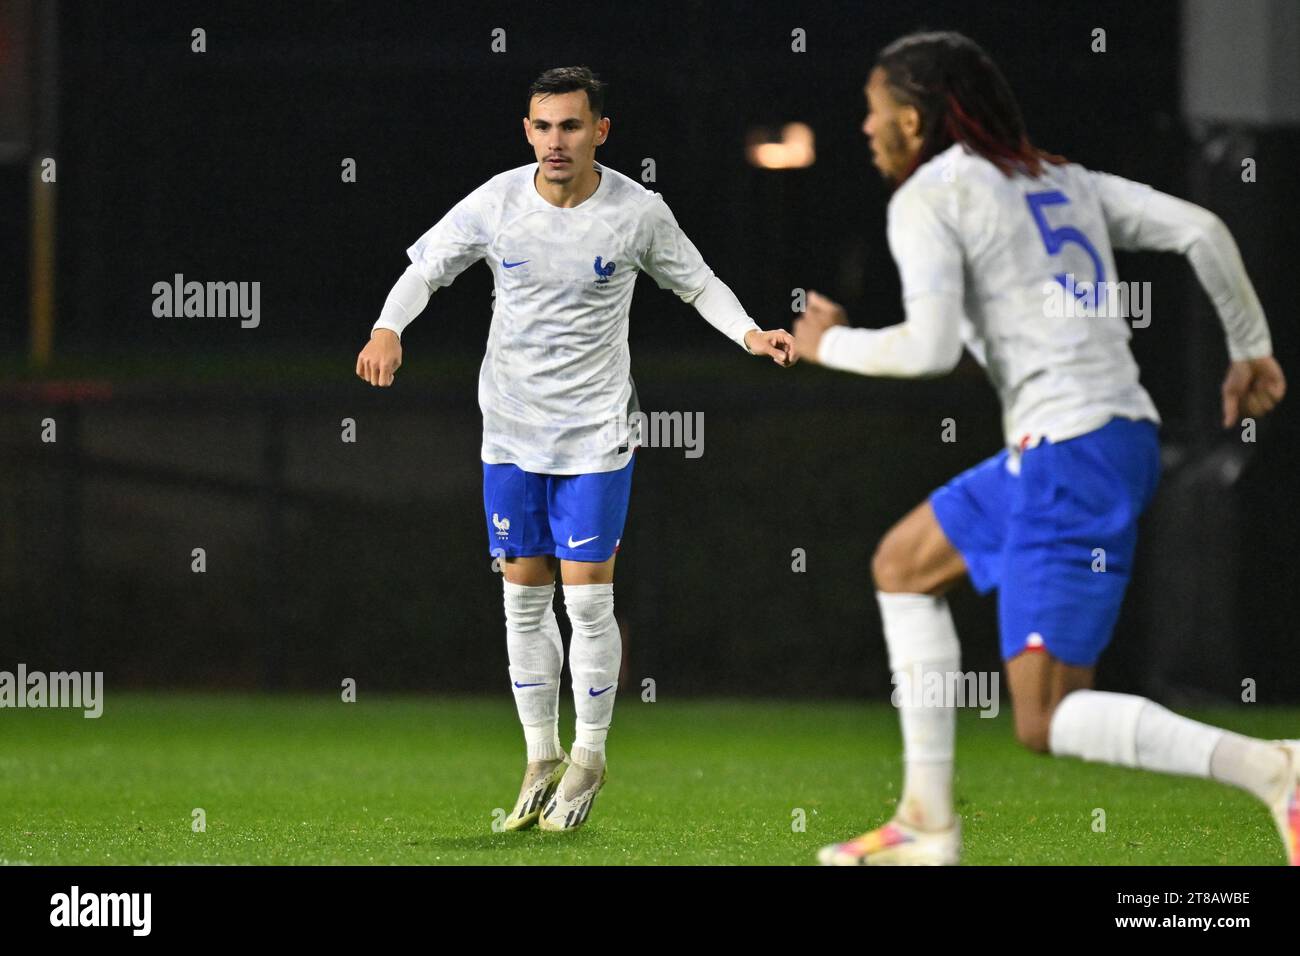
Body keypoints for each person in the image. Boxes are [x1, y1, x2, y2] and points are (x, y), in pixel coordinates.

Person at [792, 31, 1293, 865]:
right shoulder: (1061, 178)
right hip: (1089, 440)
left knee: (1046, 719)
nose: (865, 129)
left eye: (873, 113)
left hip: (1071, 454)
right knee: (903, 565)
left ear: (913, 122)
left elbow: (928, 349)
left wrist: (826, 347)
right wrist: (1252, 348)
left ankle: (1275, 769)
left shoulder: (928, 198)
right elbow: (1202, 228)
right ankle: (924, 823)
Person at [356, 66, 795, 833]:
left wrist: (752, 333)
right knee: (523, 599)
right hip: (510, 432)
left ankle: (590, 755)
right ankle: (540, 756)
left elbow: (697, 283)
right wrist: (387, 328)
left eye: (571, 126)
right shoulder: (498, 201)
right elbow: (424, 269)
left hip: (596, 432)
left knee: (588, 598)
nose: (555, 141)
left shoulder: (636, 211)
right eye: (543, 126)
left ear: (600, 130)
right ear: (528, 131)